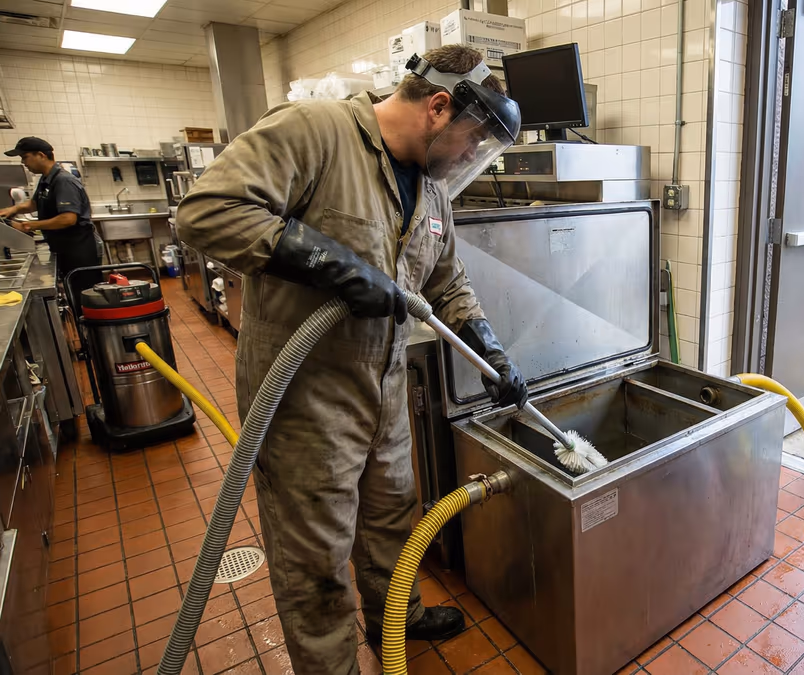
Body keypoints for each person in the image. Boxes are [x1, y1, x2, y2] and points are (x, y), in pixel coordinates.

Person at [176, 45, 526, 674]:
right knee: (316, 559)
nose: (474, 159)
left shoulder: (433, 189)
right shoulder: (314, 131)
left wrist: (488, 346)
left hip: (384, 388)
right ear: (440, 107)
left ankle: (398, 618)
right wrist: (330, 263)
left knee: (394, 517)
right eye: (475, 143)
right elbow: (206, 213)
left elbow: (446, 282)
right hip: (305, 399)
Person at [0, 137, 102, 295]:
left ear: (41, 155)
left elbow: (68, 219)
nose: (23, 163)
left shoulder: (63, 181)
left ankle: (92, 319)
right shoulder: (47, 179)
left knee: (86, 293)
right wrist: (12, 210)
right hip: (64, 247)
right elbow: (34, 203)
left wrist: (28, 226)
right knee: (73, 292)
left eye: (25, 157)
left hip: (78, 249)